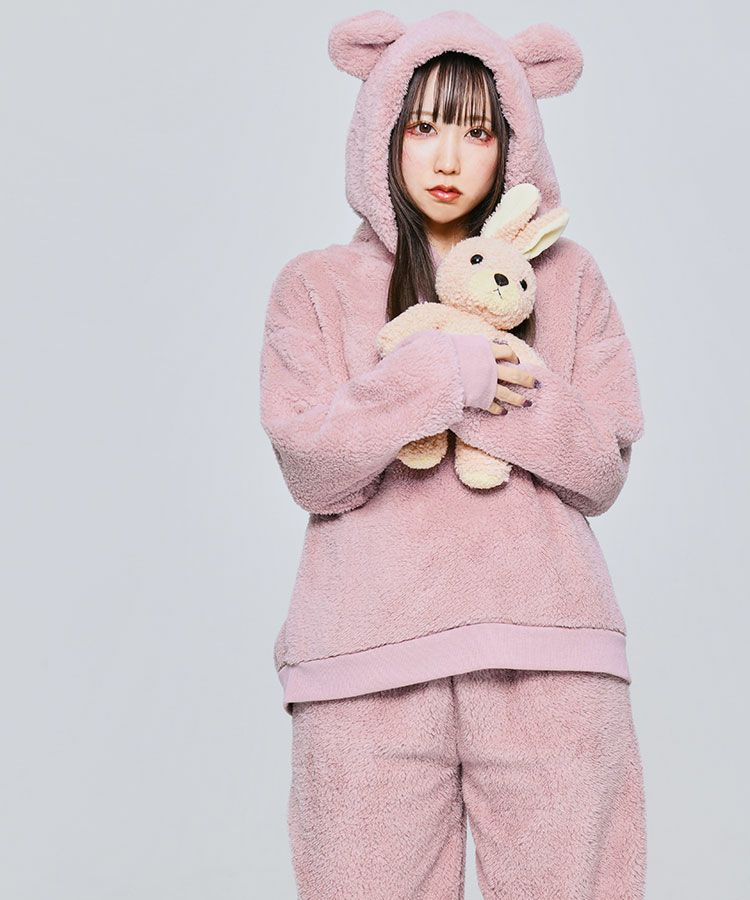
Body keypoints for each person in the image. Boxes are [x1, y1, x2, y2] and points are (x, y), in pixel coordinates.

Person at [258, 10, 648, 899]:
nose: (446, 158)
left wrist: (491, 381)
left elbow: (602, 466)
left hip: (551, 644)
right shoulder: (316, 286)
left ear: (515, 144)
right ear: (381, 133)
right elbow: (311, 465)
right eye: (423, 126)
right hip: (366, 653)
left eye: (477, 132)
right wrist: (441, 375)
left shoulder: (569, 278)